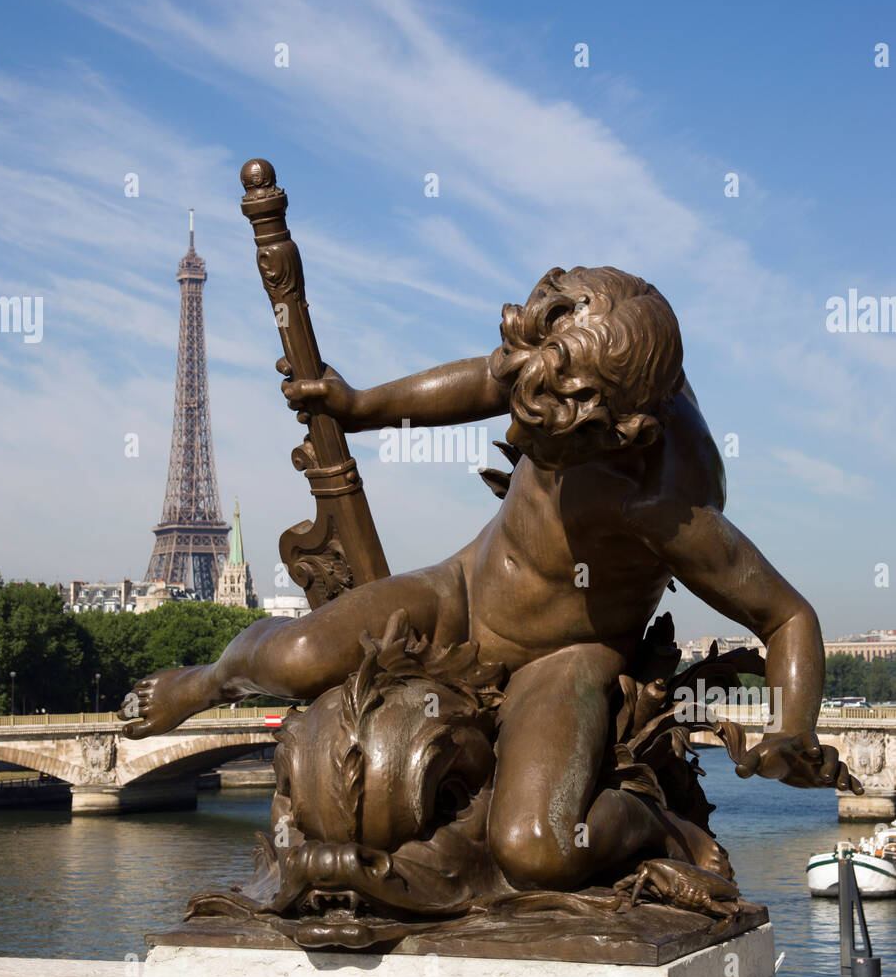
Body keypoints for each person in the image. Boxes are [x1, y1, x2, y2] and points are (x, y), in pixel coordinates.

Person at [119, 266, 857, 889]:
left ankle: (646, 816)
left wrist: (791, 728)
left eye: (542, 441)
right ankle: (209, 678)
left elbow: (786, 616)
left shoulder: (667, 503)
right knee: (296, 657)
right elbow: (487, 379)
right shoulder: (569, 356)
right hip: (463, 591)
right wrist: (359, 407)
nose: (512, 440)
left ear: (623, 431)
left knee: (536, 847)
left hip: (564, 655)